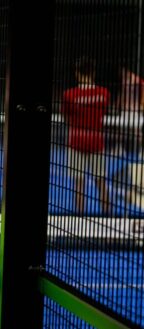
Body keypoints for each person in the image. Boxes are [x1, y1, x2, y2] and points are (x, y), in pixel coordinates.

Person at [61, 57, 111, 215]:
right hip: (96, 141)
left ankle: (80, 219)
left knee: (79, 185)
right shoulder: (104, 93)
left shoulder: (69, 95)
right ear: (93, 72)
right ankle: (108, 221)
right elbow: (103, 113)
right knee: (101, 182)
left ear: (77, 73)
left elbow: (66, 118)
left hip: (76, 141)